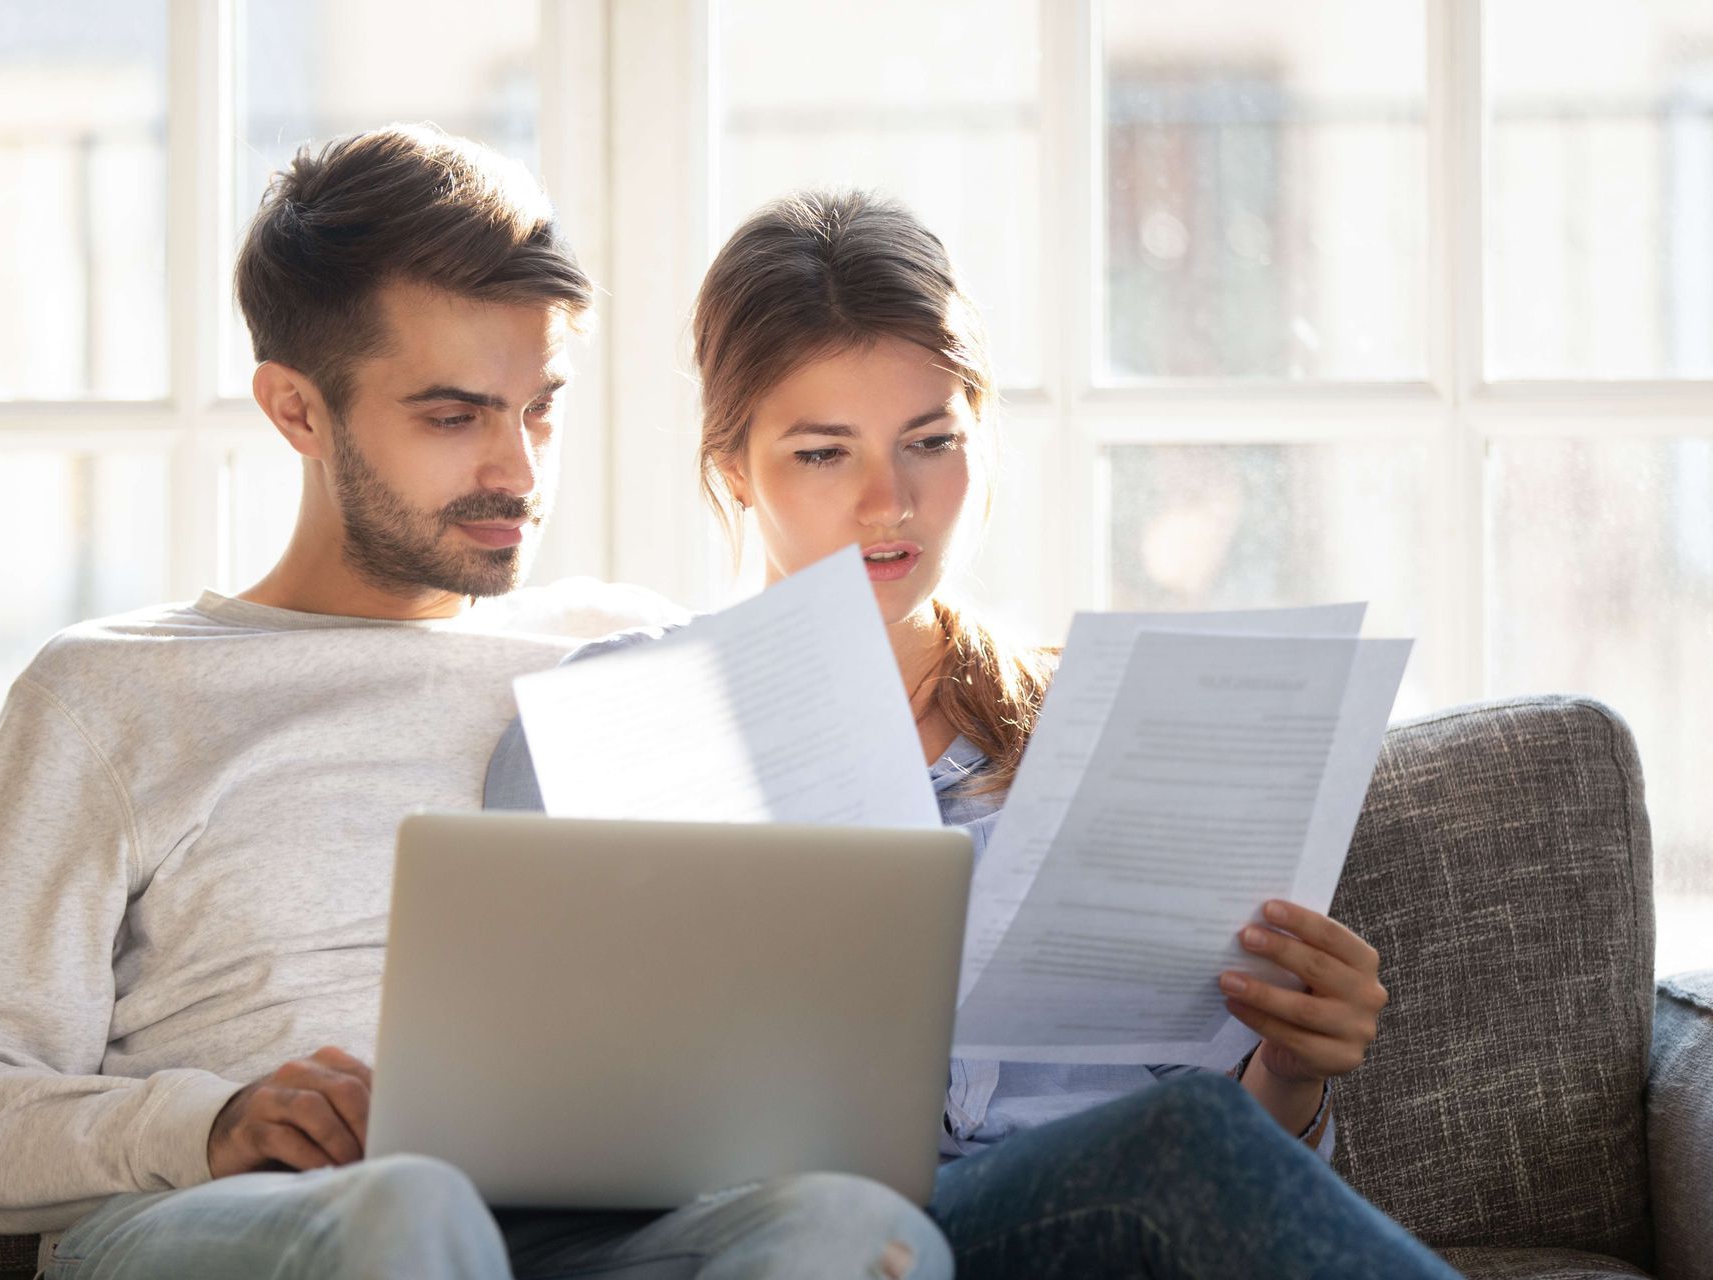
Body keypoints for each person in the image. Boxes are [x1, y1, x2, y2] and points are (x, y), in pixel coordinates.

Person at [0, 130, 949, 1280]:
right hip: (244, 1216)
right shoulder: (112, 692)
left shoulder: (628, 650)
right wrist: (212, 1119)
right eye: (453, 416)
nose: (520, 472)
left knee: (851, 1226)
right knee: (410, 1211)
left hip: (584, 1224)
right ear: (296, 410)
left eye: (541, 407)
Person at [485, 190, 1461, 1280]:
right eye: (821, 453)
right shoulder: (612, 721)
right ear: (732, 470)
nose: (886, 501)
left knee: (1186, 1137)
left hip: (1088, 1223)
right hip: (805, 1234)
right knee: (1168, 1145)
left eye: (930, 441)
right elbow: (538, 1111)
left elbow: (1240, 1167)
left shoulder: (1093, 721)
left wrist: (1291, 1069)